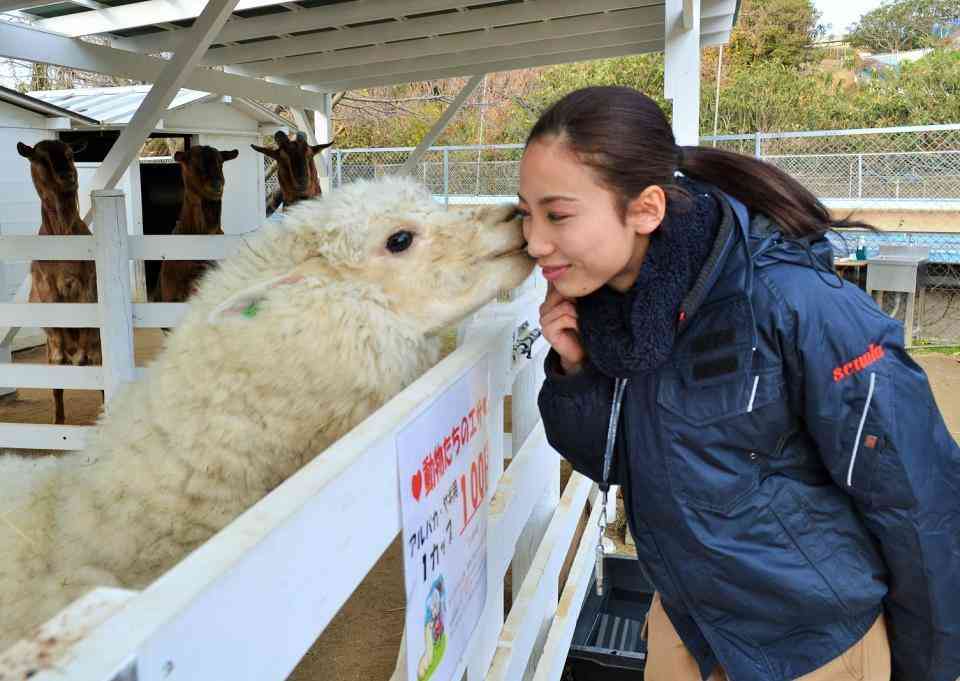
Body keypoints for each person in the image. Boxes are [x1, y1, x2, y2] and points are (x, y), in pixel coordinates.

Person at [519, 86, 960, 681]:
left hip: (809, 649)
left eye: (558, 214)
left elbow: (916, 496)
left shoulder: (790, 302)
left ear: (645, 208)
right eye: (526, 212)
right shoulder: (616, 312)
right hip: (688, 624)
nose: (534, 242)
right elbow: (618, 461)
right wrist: (574, 368)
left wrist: (932, 666)